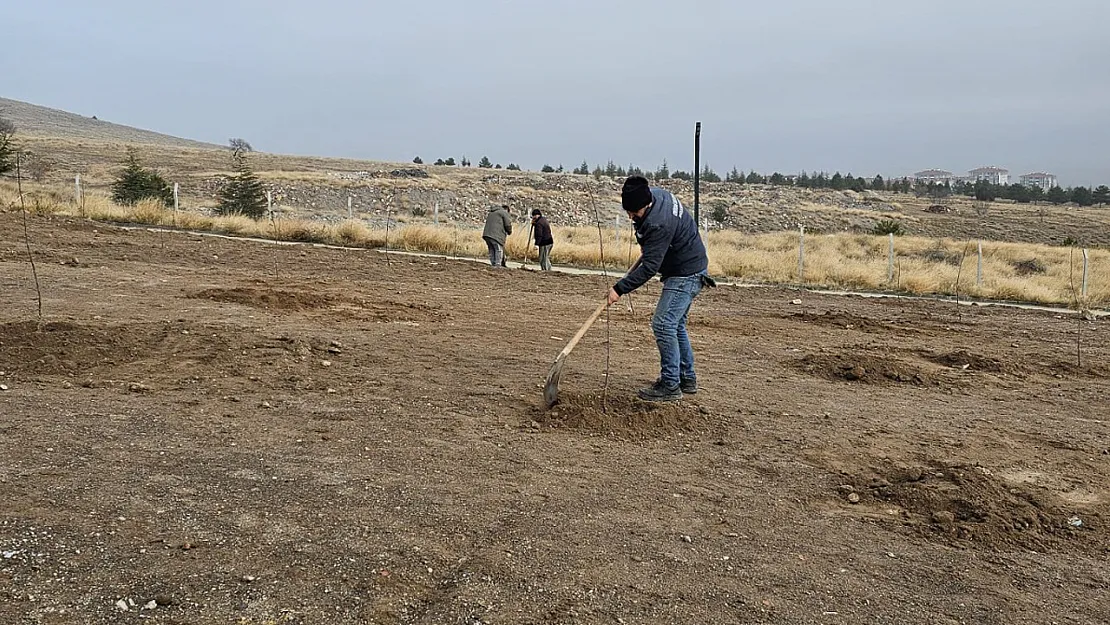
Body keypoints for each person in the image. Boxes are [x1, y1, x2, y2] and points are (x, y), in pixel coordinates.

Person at [606, 175, 714, 402]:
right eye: (628, 211)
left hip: (686, 273)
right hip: (690, 264)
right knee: (675, 325)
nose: (630, 216)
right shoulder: (654, 195)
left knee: (663, 324)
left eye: (634, 212)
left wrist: (619, 289)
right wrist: (651, 245)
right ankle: (687, 378)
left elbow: (649, 269)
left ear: (646, 205)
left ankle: (670, 385)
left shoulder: (658, 223)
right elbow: (653, 248)